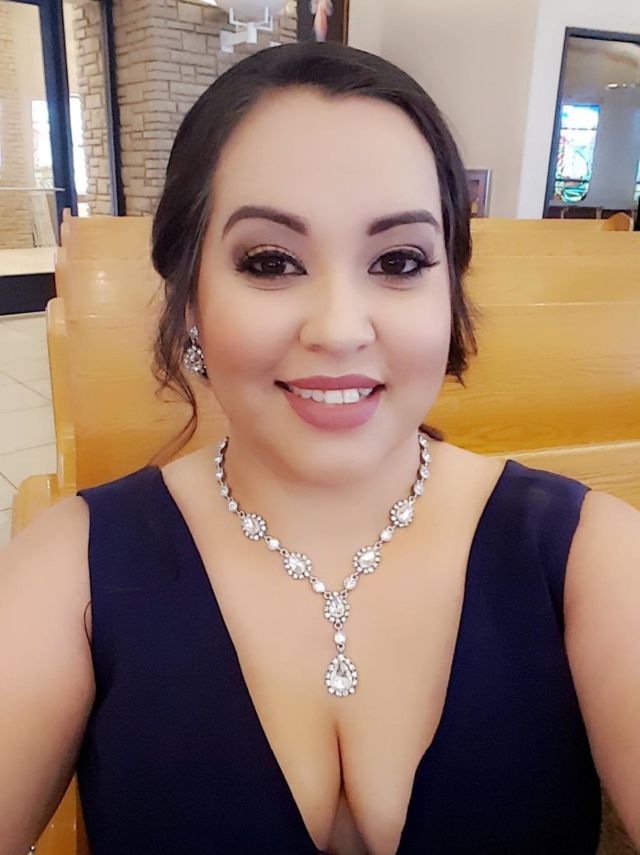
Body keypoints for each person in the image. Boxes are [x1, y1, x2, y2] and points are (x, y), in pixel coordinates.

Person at [0, 40, 638, 855]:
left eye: (399, 260)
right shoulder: (70, 569)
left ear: (449, 292)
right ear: (189, 297)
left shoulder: (593, 554)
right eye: (271, 261)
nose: (339, 329)